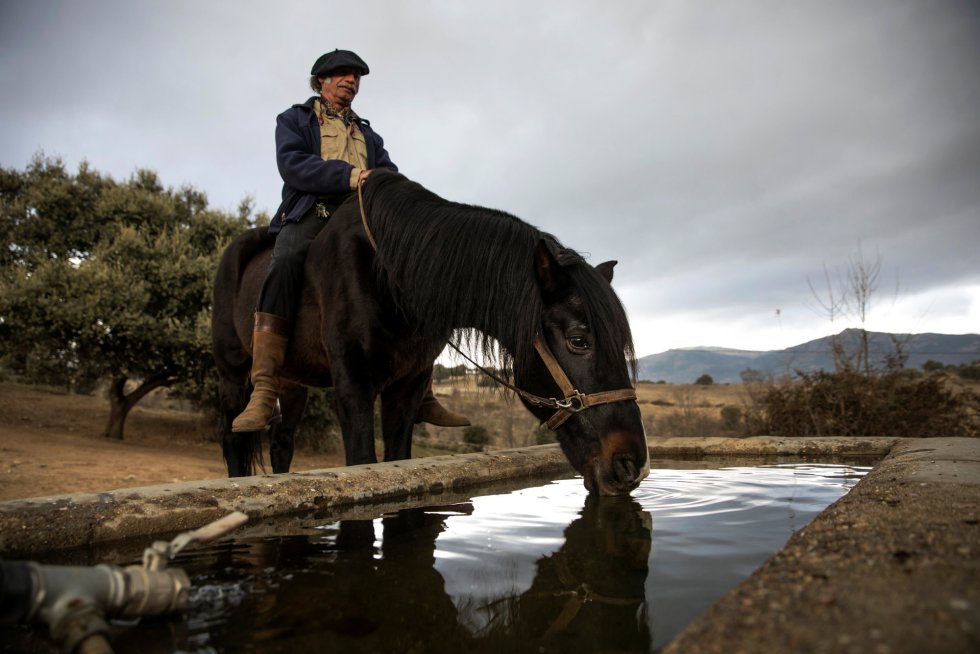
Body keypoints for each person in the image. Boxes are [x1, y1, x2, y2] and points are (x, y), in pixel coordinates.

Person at [232, 49, 469, 433]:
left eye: (356, 77)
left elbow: (387, 173)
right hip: (314, 212)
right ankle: (263, 389)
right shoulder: (294, 120)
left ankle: (421, 388)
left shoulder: (368, 133)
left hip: (362, 219)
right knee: (286, 258)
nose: (351, 81)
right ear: (321, 81)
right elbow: (293, 165)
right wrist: (351, 176)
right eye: (342, 74)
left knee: (413, 268)